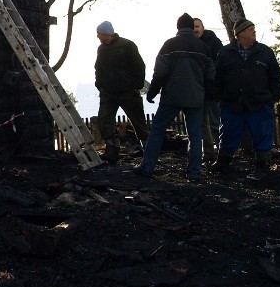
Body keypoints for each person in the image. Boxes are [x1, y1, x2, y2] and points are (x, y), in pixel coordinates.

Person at [136, 13, 214, 181]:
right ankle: (193, 172)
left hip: (172, 97)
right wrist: (207, 96)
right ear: (191, 28)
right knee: (195, 135)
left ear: (178, 27)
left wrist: (152, 92)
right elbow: (210, 76)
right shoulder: (203, 48)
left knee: (157, 131)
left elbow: (160, 73)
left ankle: (147, 167)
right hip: (195, 98)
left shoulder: (169, 45)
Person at [211, 18, 280, 180]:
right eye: (251, 29)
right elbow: (218, 77)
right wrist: (219, 96)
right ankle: (222, 164)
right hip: (232, 102)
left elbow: (276, 77)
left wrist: (273, 97)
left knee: (262, 134)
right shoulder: (225, 52)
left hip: (259, 103)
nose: (254, 32)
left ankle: (262, 167)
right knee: (228, 133)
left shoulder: (265, 52)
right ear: (240, 33)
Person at [94, 20, 149, 163]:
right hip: (108, 92)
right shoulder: (101, 49)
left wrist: (135, 85)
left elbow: (139, 66)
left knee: (138, 121)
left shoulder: (127, 46)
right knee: (105, 120)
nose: (98, 37)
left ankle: (149, 150)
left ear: (107, 34)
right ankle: (112, 150)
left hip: (127, 91)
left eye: (99, 34)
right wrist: (100, 84)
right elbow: (98, 68)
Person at [193, 17, 223, 162]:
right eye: (193, 27)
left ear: (203, 27)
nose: (195, 29)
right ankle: (209, 152)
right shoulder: (190, 44)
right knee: (202, 124)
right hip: (198, 90)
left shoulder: (214, 42)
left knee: (215, 123)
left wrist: (215, 84)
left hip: (212, 89)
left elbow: (221, 64)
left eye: (197, 26)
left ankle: (222, 152)